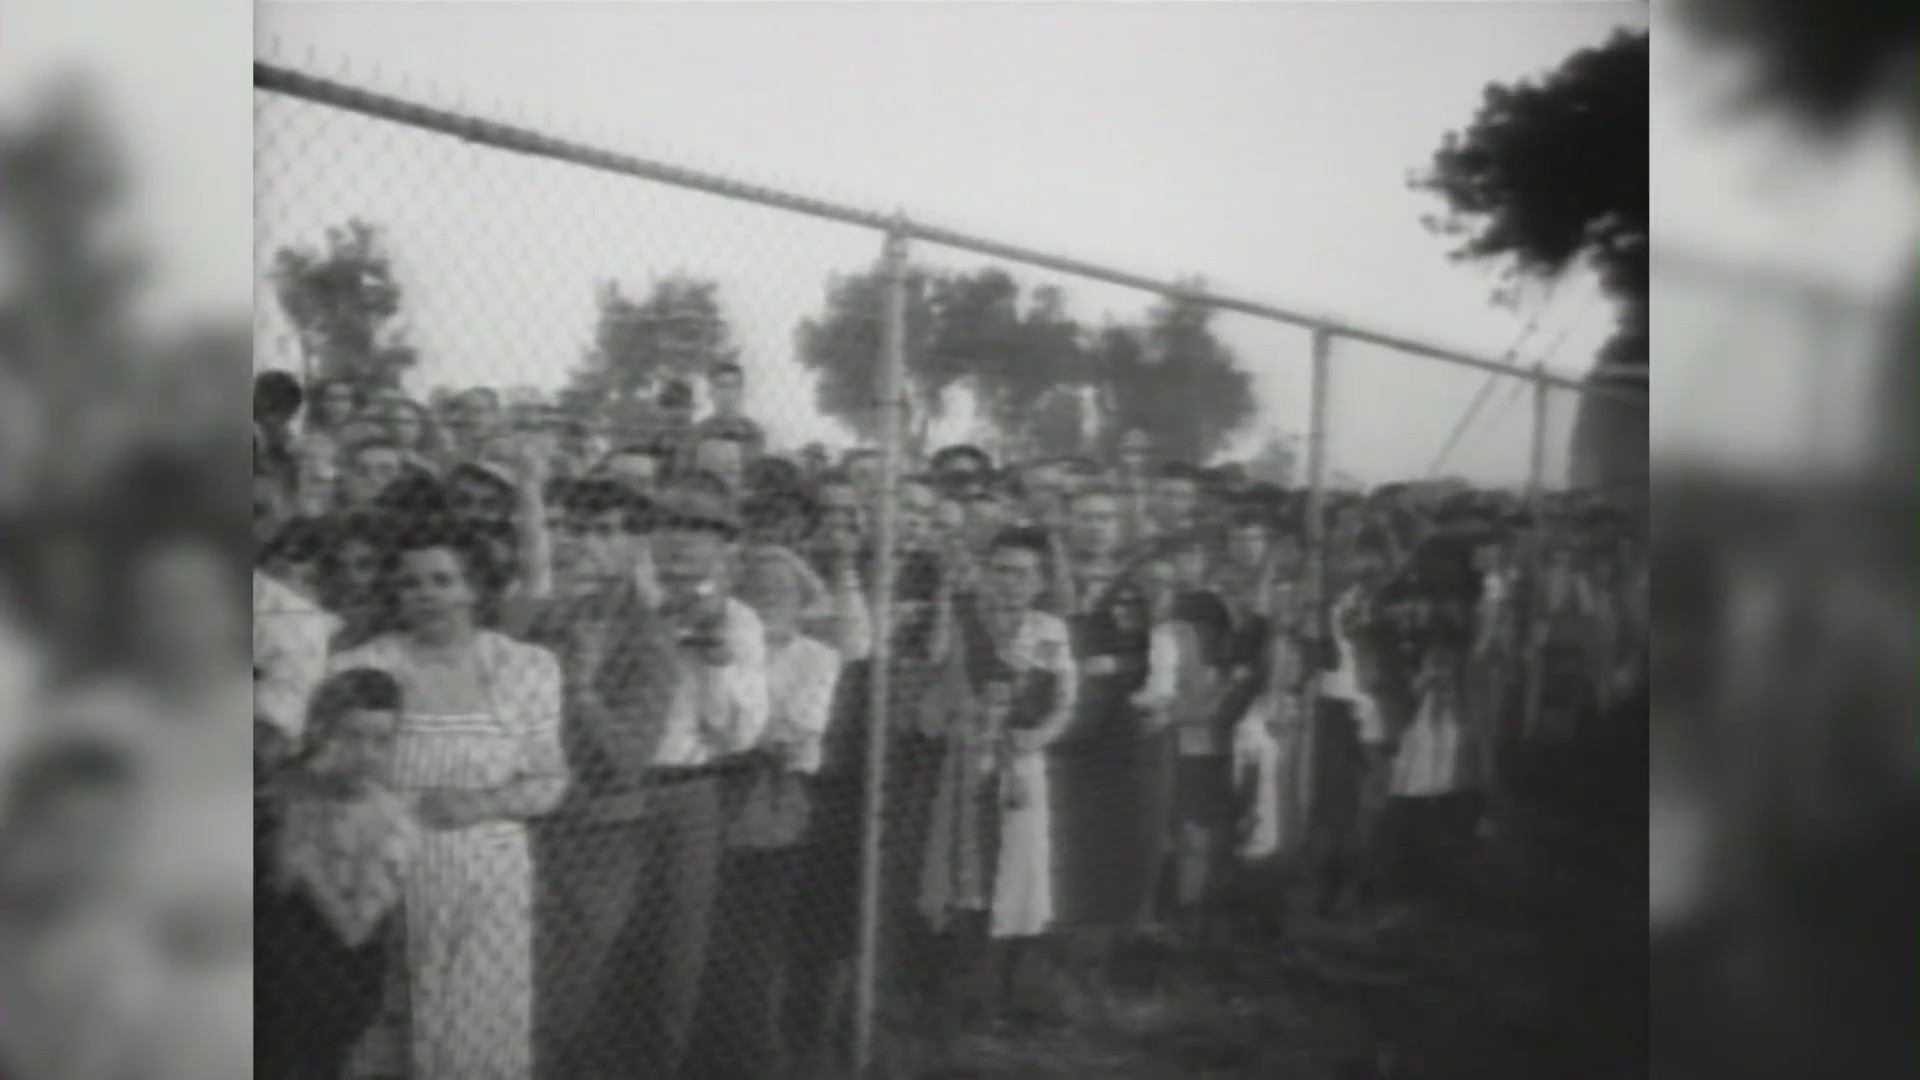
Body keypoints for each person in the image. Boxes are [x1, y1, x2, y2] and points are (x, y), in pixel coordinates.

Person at [331, 518, 570, 1079]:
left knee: (480, 1021)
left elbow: (549, 780)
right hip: (386, 866)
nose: (427, 595)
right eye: (412, 583)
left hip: (491, 869)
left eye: (444, 580)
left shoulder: (524, 666)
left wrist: (479, 806)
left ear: (475, 588)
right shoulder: (361, 666)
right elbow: (332, 777)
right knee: (389, 1016)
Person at [516, 478, 681, 1078]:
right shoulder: (548, 621)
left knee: (563, 1000)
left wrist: (581, 688)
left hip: (599, 839)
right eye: (580, 529)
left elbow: (627, 759)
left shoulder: (651, 638)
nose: (588, 543)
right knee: (512, 992)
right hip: (531, 825)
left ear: (639, 544)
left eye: (607, 531)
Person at [616, 484, 770, 1077]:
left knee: (677, 947)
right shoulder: (615, 599)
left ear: (723, 543)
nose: (682, 537)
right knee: (602, 936)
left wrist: (717, 664)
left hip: (688, 789)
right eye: (671, 522)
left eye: (701, 527)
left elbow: (742, 732)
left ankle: (661, 1064)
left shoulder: (737, 619)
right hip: (611, 786)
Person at [919, 527, 1077, 1028]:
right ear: (986, 574)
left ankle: (1007, 991)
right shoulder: (964, 622)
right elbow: (936, 670)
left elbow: (1064, 699)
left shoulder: (1049, 630)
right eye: (1002, 570)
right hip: (966, 761)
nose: (1012, 582)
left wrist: (1041, 735)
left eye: (1024, 573)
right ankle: (963, 995)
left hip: (1022, 763)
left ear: (1040, 582)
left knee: (1019, 871)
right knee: (966, 871)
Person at [693, 551, 843, 1079]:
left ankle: (748, 1056)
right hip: (704, 793)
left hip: (769, 797)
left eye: (783, 589)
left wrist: (729, 730)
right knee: (699, 933)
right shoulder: (715, 645)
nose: (768, 598)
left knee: (753, 937)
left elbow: (794, 734)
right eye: (755, 588)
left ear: (804, 600)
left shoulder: (817, 657)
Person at [257, 668, 415, 1080]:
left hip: (333, 976)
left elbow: (354, 930)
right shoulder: (293, 794)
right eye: (350, 736)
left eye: (380, 741)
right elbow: (277, 878)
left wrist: (308, 867)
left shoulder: (390, 820)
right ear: (322, 734)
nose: (364, 753)